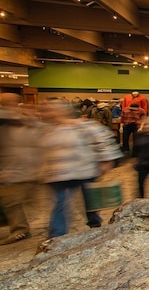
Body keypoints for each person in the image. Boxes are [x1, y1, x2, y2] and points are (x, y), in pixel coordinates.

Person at [39, 98, 124, 238]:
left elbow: (104, 141)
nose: (47, 113)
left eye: (50, 110)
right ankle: (56, 236)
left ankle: (94, 225)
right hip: (58, 174)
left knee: (90, 202)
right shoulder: (48, 130)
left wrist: (106, 160)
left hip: (83, 171)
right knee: (60, 203)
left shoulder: (84, 126)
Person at [0, 94, 40, 244]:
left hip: (22, 169)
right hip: (12, 167)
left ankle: (20, 230)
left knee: (11, 201)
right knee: (9, 201)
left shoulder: (23, 119)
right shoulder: (12, 119)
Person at [119, 91, 149, 155]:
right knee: (125, 138)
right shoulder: (125, 108)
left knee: (135, 139)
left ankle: (134, 152)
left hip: (135, 125)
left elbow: (143, 118)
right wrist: (121, 127)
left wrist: (141, 127)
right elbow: (122, 119)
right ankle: (126, 150)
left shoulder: (141, 107)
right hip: (128, 125)